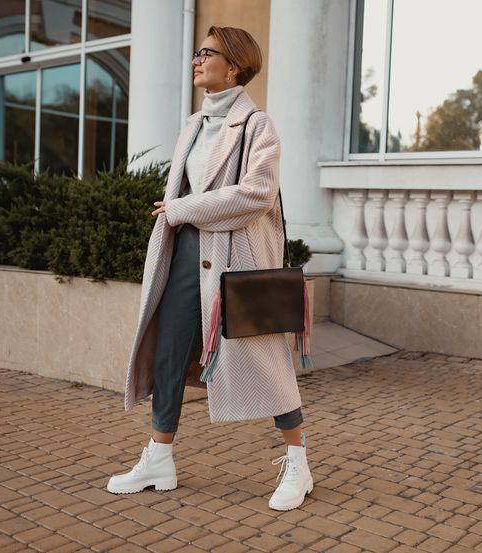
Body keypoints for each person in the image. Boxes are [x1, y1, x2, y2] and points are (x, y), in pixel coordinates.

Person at [107, 26, 313, 512]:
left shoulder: (258, 126)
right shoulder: (194, 125)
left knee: (264, 361)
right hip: (183, 255)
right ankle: (159, 457)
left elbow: (257, 194)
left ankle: (298, 463)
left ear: (234, 66)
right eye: (198, 52)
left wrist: (183, 209)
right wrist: (181, 214)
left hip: (234, 261)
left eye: (207, 53)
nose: (197, 59)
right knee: (169, 353)